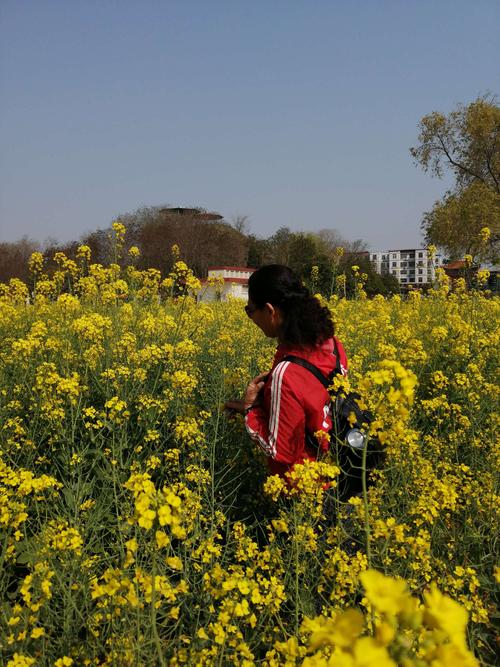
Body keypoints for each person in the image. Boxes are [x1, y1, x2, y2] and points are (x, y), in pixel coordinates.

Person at [224, 264, 348, 479]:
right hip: (340, 474)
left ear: (270, 311)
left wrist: (251, 409)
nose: (251, 319)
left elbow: (279, 450)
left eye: (250, 310)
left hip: (306, 492)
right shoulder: (333, 345)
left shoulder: (286, 373)